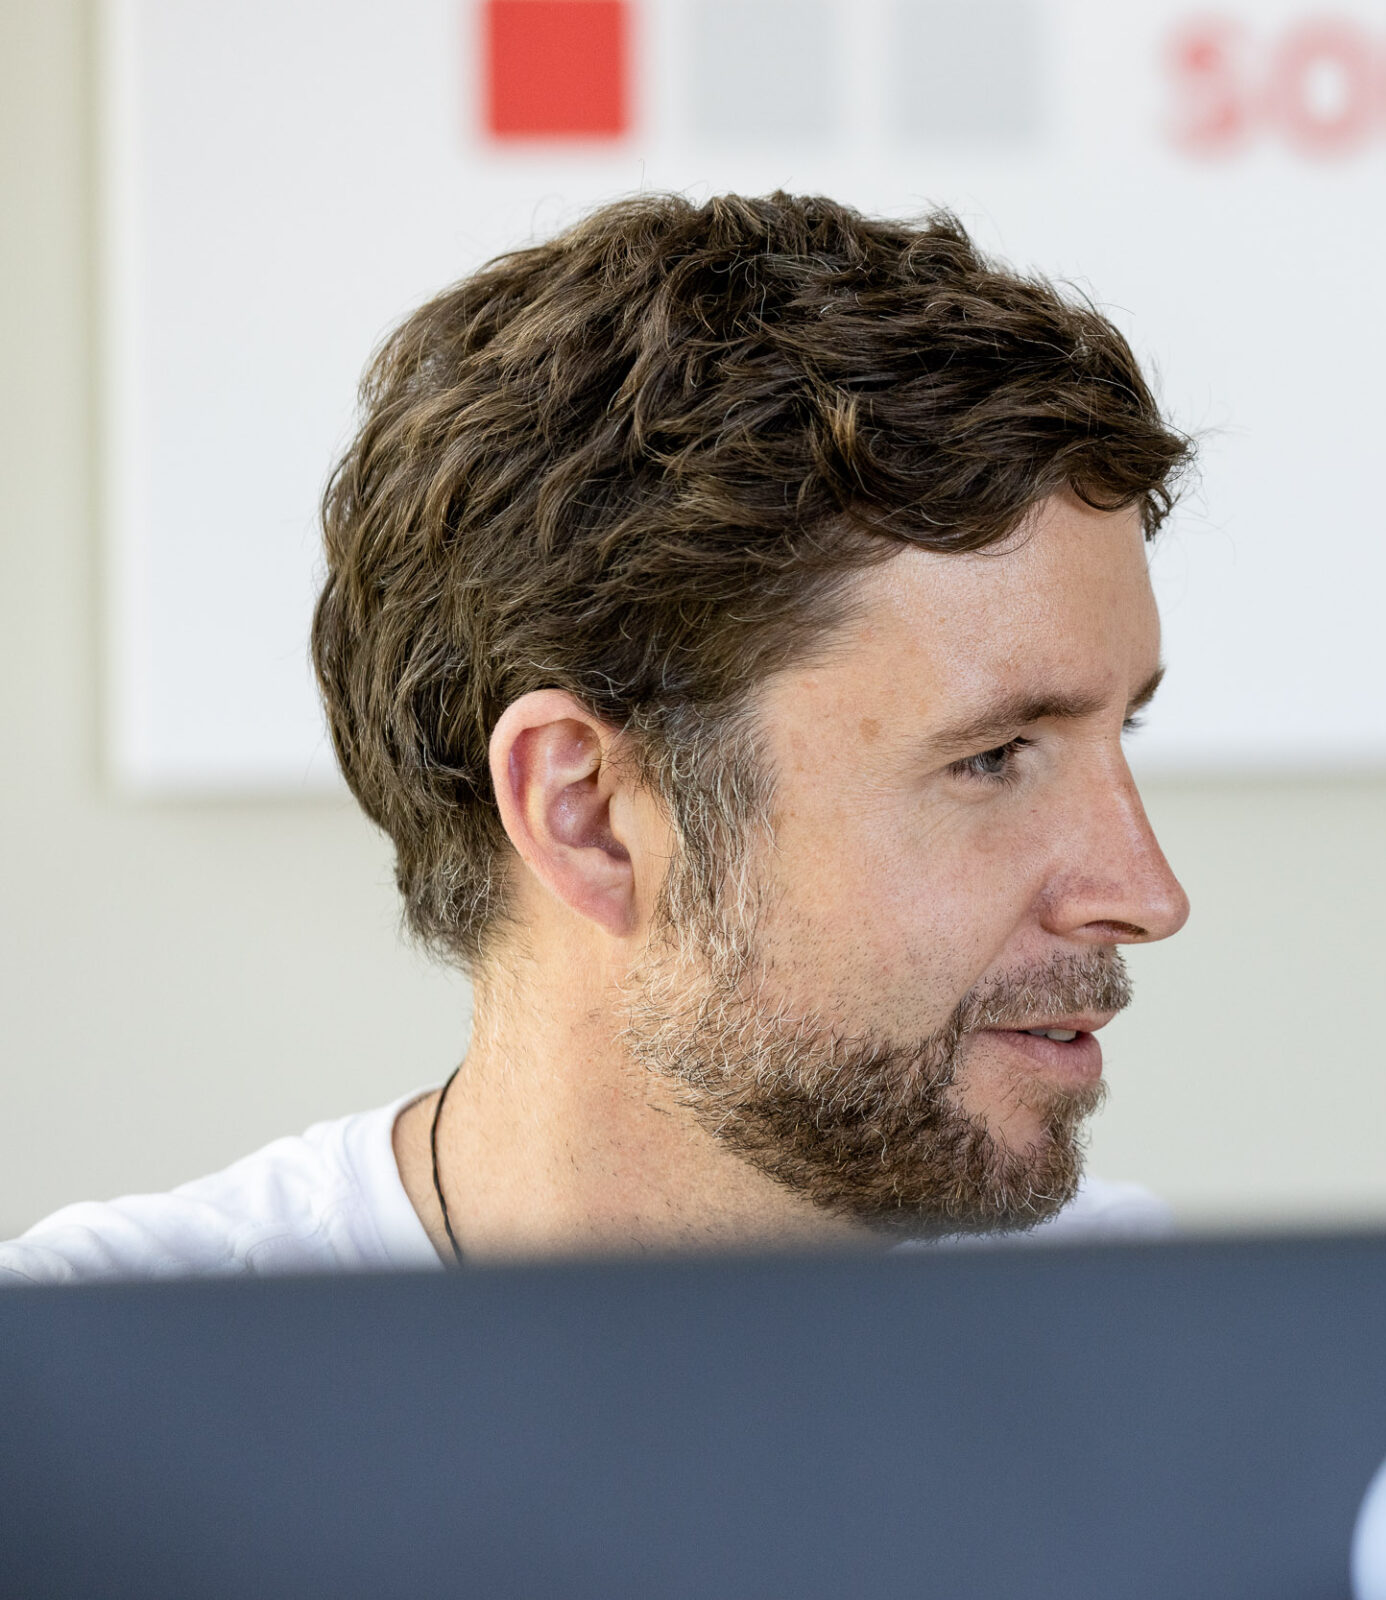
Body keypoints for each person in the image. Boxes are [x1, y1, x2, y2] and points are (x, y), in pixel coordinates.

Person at [1, 193, 1193, 1285]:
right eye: (993, 757)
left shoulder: (1157, 1335)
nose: (1147, 895)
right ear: (586, 815)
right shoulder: (92, 1383)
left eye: (1121, 729)